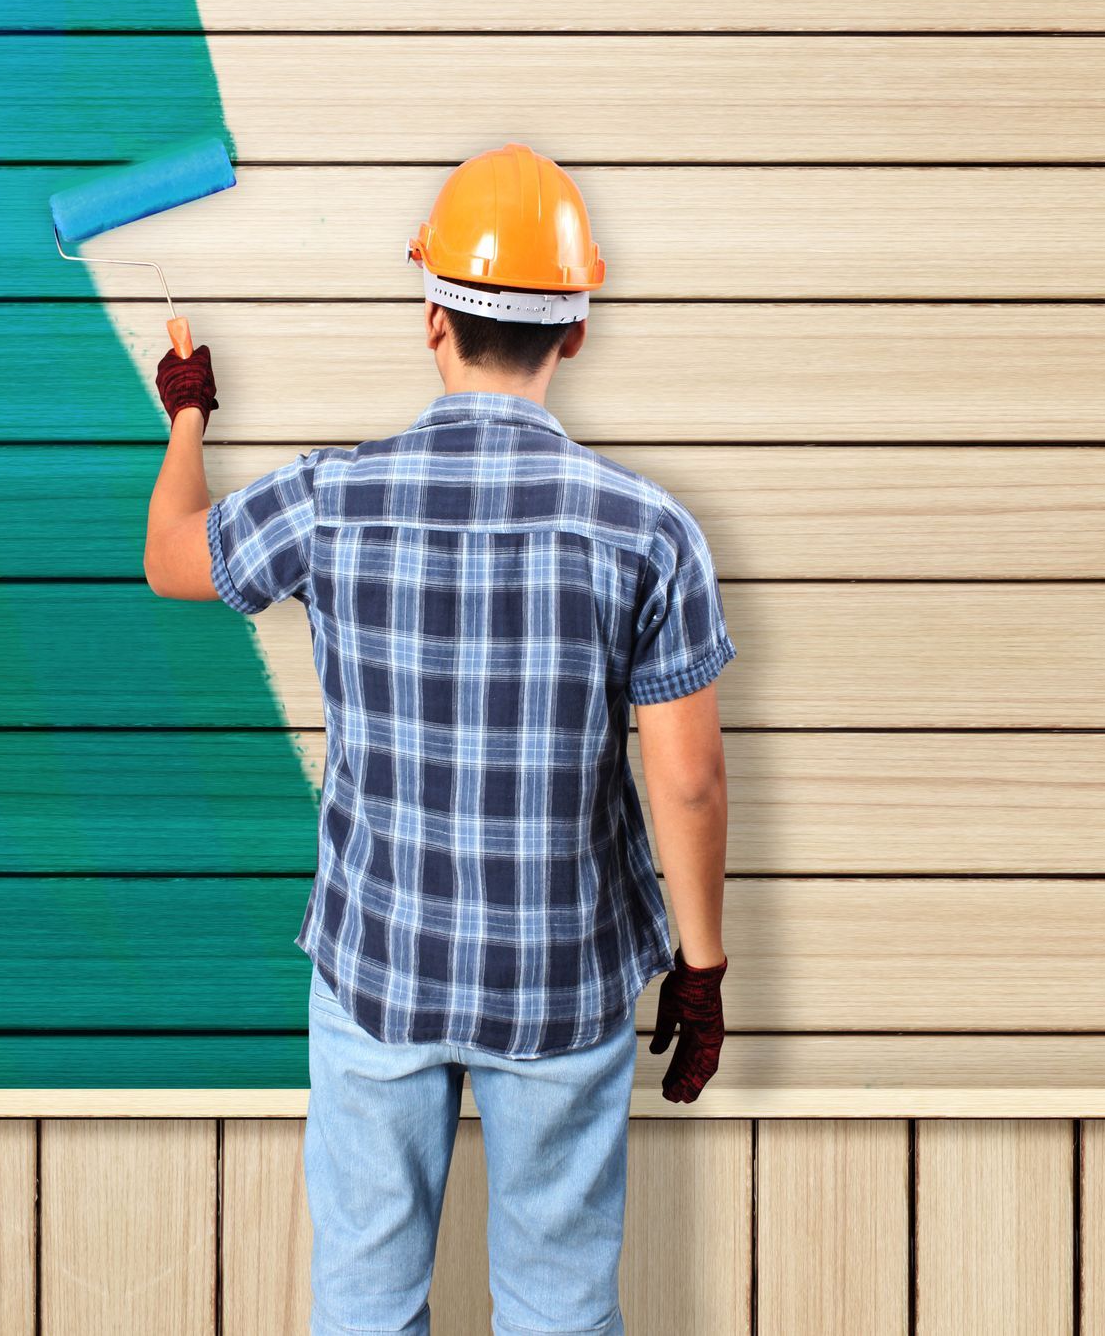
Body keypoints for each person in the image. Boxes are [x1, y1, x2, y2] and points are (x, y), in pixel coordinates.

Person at [142, 143, 736, 1336]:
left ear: (432, 319)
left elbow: (172, 555)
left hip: (379, 970)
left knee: (364, 1307)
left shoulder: (330, 497)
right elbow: (689, 778)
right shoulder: (648, 532)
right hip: (562, 980)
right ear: (574, 330)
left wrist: (191, 414)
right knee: (560, 1311)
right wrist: (702, 966)